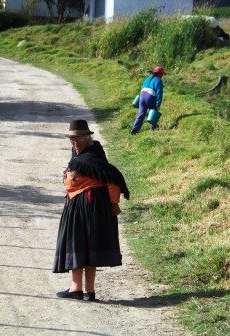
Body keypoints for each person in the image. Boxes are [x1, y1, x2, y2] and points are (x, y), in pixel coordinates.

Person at [53, 119, 130, 302]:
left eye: (78, 138)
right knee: (80, 246)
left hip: (90, 207)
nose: (75, 142)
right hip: (77, 206)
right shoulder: (77, 157)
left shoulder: (94, 158)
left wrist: (113, 204)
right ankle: (79, 288)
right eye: (72, 139)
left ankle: (87, 289)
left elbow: (112, 180)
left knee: (85, 245)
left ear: (87, 138)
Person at [131, 66, 165, 134]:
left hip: (142, 96)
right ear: (160, 74)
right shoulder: (159, 80)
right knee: (154, 110)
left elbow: (142, 88)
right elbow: (159, 93)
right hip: (150, 97)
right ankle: (153, 127)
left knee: (141, 114)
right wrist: (158, 104)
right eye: (162, 74)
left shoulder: (147, 78)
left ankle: (134, 130)